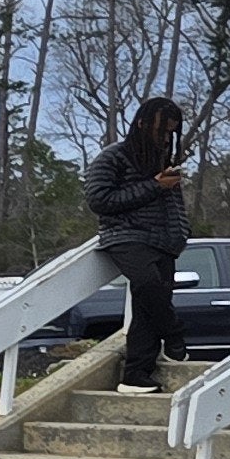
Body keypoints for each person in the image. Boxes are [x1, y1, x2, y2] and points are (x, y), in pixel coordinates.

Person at [84, 95, 190, 394]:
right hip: (126, 235)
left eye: (171, 132)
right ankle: (174, 333)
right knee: (148, 284)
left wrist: (181, 232)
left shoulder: (163, 161)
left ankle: (135, 376)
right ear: (142, 124)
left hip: (164, 241)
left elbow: (172, 205)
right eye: (161, 130)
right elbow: (99, 200)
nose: (166, 138)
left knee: (145, 310)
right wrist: (154, 185)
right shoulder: (113, 156)